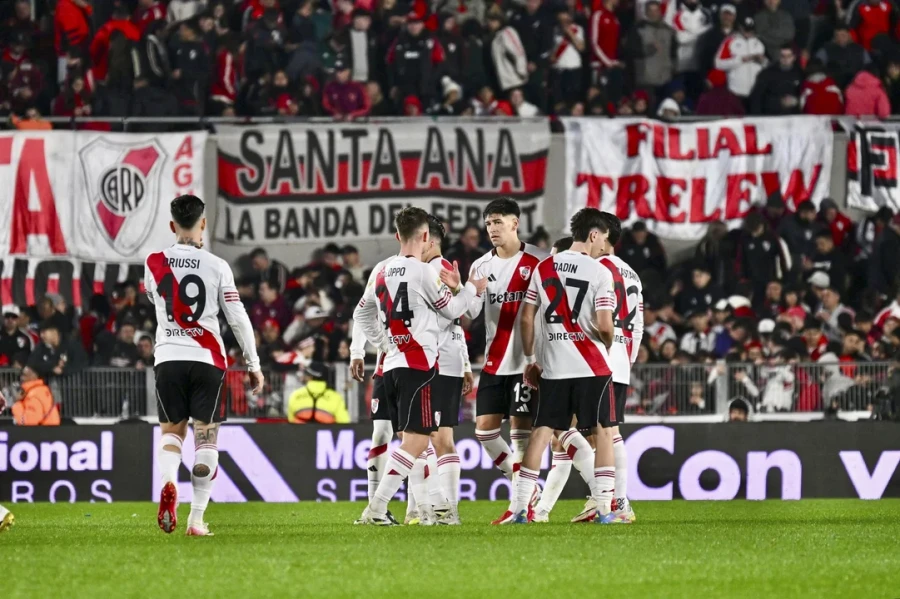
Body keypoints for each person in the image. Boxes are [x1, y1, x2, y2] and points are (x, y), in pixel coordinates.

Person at [353, 207, 485, 526]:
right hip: (419, 365)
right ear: (425, 237)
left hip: (393, 363)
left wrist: (384, 343)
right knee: (416, 441)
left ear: (398, 235)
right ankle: (375, 509)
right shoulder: (424, 272)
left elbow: (360, 314)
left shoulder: (382, 271)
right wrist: (469, 290)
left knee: (415, 438)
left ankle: (434, 505)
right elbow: (453, 310)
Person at [145, 194, 264, 537]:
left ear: (172, 225)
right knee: (206, 438)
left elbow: (155, 300)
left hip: (168, 358)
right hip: (208, 360)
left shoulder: (153, 262)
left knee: (171, 434)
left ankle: (169, 482)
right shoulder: (217, 266)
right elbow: (238, 318)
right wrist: (252, 362)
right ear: (203, 223)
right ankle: (196, 521)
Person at [506, 207, 617, 524]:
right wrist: (605, 341)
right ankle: (605, 509)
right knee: (604, 431)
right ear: (593, 234)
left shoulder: (544, 267)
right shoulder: (599, 272)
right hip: (591, 366)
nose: (603, 247)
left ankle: (519, 509)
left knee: (541, 432)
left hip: (553, 367)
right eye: (603, 240)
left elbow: (526, 317)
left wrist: (531, 359)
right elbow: (606, 326)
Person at [454, 198, 548, 525]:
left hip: (528, 362)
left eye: (498, 221)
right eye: (489, 223)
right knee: (485, 432)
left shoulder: (539, 260)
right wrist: (460, 290)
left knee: (521, 435)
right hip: (495, 360)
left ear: (515, 223)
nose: (493, 228)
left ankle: (520, 507)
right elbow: (471, 313)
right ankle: (527, 488)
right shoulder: (480, 266)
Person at [417, 215, 474, 525]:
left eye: (420, 239)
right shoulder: (447, 271)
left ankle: (444, 509)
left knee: (432, 437)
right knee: (437, 437)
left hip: (433, 361)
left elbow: (451, 316)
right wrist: (465, 363)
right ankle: (433, 508)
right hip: (449, 360)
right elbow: (458, 322)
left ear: (431, 240)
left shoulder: (430, 271)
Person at [714, 16, 767, 103]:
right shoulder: (730, 41)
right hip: (736, 91)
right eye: (746, 30)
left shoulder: (759, 43)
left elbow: (767, 65)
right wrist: (740, 60)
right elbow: (718, 63)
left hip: (756, 91)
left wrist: (763, 61)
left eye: (750, 30)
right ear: (740, 28)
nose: (748, 32)